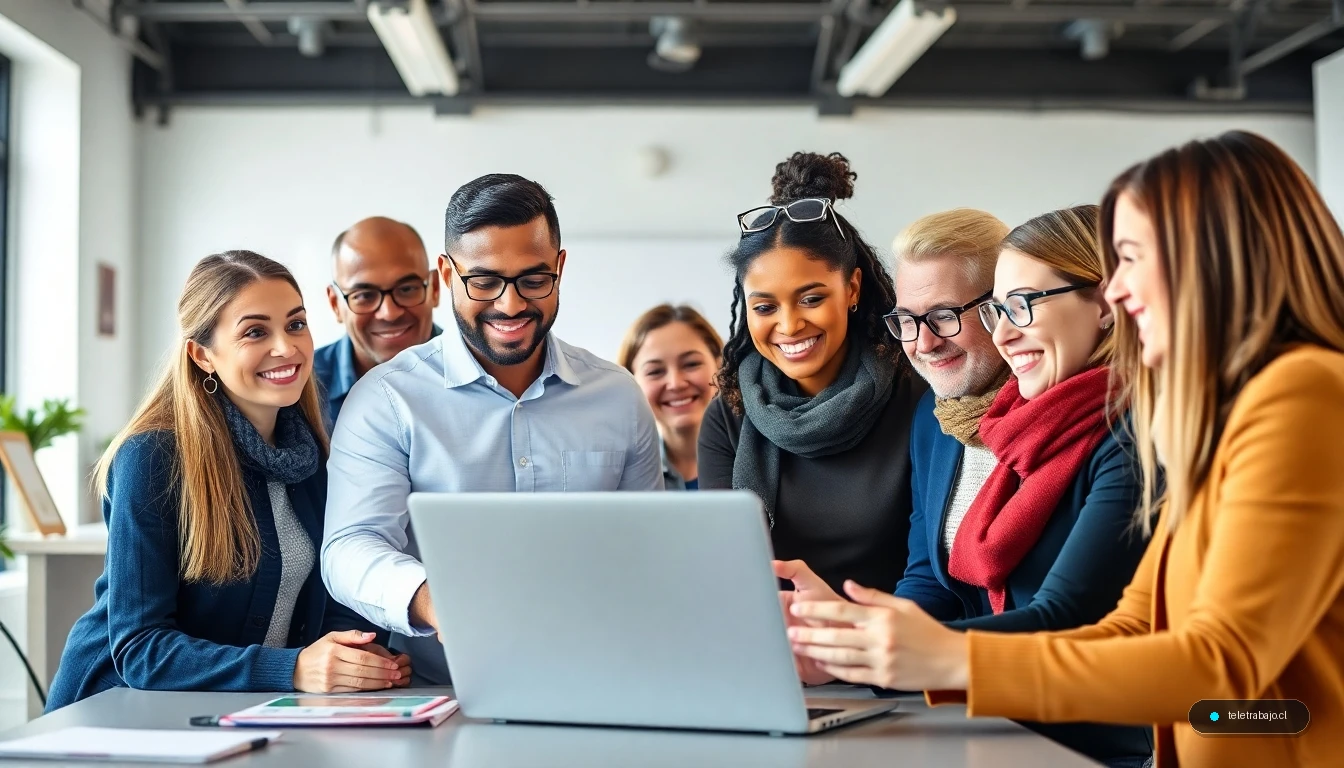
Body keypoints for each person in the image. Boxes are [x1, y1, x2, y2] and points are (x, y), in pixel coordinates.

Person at [787, 131, 1344, 767]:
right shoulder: (1214, 417)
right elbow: (1129, 630)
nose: (1117, 290)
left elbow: (1222, 664)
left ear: (1216, 256)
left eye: (1131, 258)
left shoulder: (1300, 390)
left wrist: (944, 656)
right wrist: (869, 645)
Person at [779, 206, 1152, 767]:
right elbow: (933, 579)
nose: (924, 342)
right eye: (907, 320)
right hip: (985, 722)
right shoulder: (949, 421)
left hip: (1091, 741)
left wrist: (872, 647)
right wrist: (855, 640)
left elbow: (1067, 618)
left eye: (946, 315)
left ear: (1105, 304)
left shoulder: (1125, 432)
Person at [322, 174, 664, 685]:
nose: (510, 305)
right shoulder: (386, 399)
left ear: (560, 269)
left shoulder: (617, 396)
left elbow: (649, 548)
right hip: (445, 694)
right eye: (483, 282)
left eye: (533, 279)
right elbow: (351, 547)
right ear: (446, 275)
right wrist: (435, 600)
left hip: (601, 677)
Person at [46, 251, 409, 712]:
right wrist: (294, 668)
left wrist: (357, 658)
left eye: (296, 324)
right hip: (115, 711)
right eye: (255, 332)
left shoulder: (313, 454)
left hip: (233, 712)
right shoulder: (151, 456)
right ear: (202, 355)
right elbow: (140, 649)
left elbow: (335, 592)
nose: (286, 347)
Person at [698, 152, 927, 595]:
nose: (788, 326)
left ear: (852, 289)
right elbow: (724, 564)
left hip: (889, 629)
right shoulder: (729, 415)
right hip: (772, 628)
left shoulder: (917, 398)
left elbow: (931, 570)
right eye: (765, 307)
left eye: (811, 299)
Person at [315, 216, 443, 427]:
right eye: (364, 295)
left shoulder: (486, 374)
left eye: (407, 289)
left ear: (435, 288)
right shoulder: (299, 391)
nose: (389, 313)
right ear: (335, 304)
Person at [617, 304, 724, 490]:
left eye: (691, 364)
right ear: (631, 382)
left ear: (720, 366)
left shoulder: (764, 460)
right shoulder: (621, 479)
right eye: (655, 371)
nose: (676, 383)